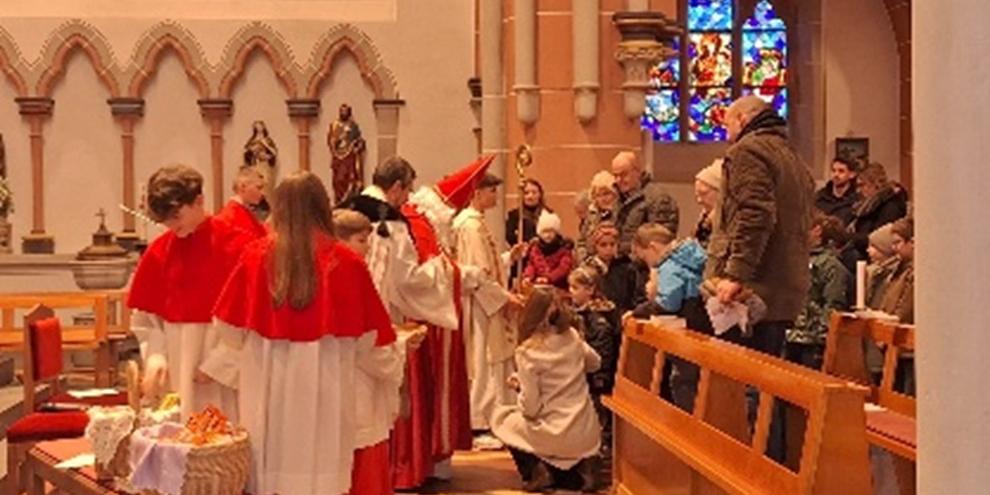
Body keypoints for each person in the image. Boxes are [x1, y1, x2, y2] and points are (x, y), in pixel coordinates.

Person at [210, 172, 396, 495]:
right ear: (322, 206)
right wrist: (392, 369)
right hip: (328, 387)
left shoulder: (256, 256)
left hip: (267, 386)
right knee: (321, 471)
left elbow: (227, 327)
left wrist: (257, 346)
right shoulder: (347, 262)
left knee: (270, 472)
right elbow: (370, 340)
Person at [393, 156, 493, 489]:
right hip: (422, 323)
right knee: (421, 393)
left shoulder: (429, 224)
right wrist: (461, 275)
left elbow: (439, 266)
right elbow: (422, 276)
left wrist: (462, 275)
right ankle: (416, 464)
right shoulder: (419, 224)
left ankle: (430, 460)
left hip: (435, 320)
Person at [127, 164, 254, 422]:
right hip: (177, 365)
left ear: (199, 201)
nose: (171, 227)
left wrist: (219, 364)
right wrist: (156, 355)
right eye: (165, 221)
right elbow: (147, 321)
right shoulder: (159, 252)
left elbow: (251, 317)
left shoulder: (239, 246)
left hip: (223, 370)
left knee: (226, 441)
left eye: (176, 217)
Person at [705, 95, 815, 358]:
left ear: (743, 119)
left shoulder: (748, 151)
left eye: (727, 125)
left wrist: (735, 275)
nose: (727, 134)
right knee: (765, 377)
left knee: (743, 382)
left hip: (753, 289)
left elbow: (755, 216)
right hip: (784, 285)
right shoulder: (792, 157)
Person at [491, 287, 600, 493]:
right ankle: (576, 471)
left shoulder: (528, 352)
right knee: (557, 440)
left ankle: (535, 471)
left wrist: (520, 386)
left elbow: (531, 408)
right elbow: (595, 362)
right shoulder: (573, 337)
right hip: (585, 429)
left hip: (556, 432)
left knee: (502, 418)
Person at [453, 173, 525, 448]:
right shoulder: (470, 226)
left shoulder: (475, 223)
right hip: (482, 306)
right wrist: (505, 298)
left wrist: (508, 258)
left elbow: (487, 265)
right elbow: (478, 275)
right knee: (485, 360)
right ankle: (482, 419)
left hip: (487, 301)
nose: (495, 197)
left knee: (490, 359)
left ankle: (492, 418)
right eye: (492, 191)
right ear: (478, 192)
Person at [568, 266, 618, 475]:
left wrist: (597, 378)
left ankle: (594, 464)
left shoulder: (599, 319)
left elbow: (602, 354)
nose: (570, 291)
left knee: (597, 421)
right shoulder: (582, 314)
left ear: (590, 290)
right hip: (586, 375)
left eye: (575, 287)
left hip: (597, 379)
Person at [785, 214, 851, 370]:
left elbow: (833, 303)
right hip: (791, 333)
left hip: (812, 340)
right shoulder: (796, 258)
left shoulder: (830, 265)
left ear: (817, 231)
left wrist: (823, 334)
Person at [610, 151, 679, 256]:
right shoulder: (617, 198)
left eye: (623, 174)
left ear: (637, 171)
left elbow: (660, 241)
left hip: (641, 266)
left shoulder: (658, 198)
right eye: (615, 175)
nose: (618, 180)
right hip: (621, 262)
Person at [848, 162, 909, 259]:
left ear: (875, 184)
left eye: (862, 185)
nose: (858, 190)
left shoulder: (891, 207)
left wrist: (848, 237)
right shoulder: (864, 206)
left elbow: (879, 241)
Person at [584, 221, 643, 317]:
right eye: (603, 245)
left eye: (612, 244)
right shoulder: (587, 269)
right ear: (595, 246)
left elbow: (635, 296)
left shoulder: (626, 268)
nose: (608, 249)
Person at [522, 210, 575, 290]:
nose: (548, 235)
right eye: (545, 232)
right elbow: (531, 265)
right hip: (540, 287)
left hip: (559, 288)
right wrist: (528, 276)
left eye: (551, 231)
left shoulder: (564, 248)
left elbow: (564, 268)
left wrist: (548, 278)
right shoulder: (535, 248)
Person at [215, 166, 269, 239]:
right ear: (243, 187)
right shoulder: (230, 216)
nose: (263, 193)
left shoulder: (245, 210)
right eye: (259, 188)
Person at [576, 171, 618, 262]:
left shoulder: (620, 214)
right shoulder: (590, 216)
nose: (603, 199)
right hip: (592, 263)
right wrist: (585, 260)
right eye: (599, 195)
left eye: (606, 194)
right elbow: (581, 242)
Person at [815, 156, 861, 225]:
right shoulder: (819, 197)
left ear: (852, 174)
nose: (836, 174)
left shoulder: (857, 201)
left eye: (841, 171)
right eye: (833, 171)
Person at [505, 179, 550, 246]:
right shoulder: (514, 215)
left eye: (534, 193)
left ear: (540, 195)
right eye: (526, 193)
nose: (530, 196)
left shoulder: (547, 214)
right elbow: (509, 237)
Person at [693, 159, 722, 248]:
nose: (699, 200)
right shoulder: (702, 221)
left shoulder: (732, 220)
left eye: (703, 193)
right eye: (697, 195)